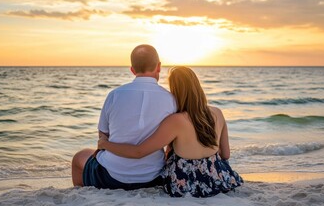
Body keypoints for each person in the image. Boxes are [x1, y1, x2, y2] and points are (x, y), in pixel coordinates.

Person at [98, 66, 243, 197]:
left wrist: (104, 144)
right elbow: (225, 154)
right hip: (219, 178)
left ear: (176, 91)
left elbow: (139, 152)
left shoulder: (176, 121)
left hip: (187, 184)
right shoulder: (217, 112)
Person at [72, 44, 177, 190]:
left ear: (132, 70)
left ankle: (81, 193)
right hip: (153, 177)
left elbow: (103, 135)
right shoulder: (171, 99)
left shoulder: (115, 95)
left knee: (80, 157)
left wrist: (105, 144)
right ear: (158, 67)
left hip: (112, 176)